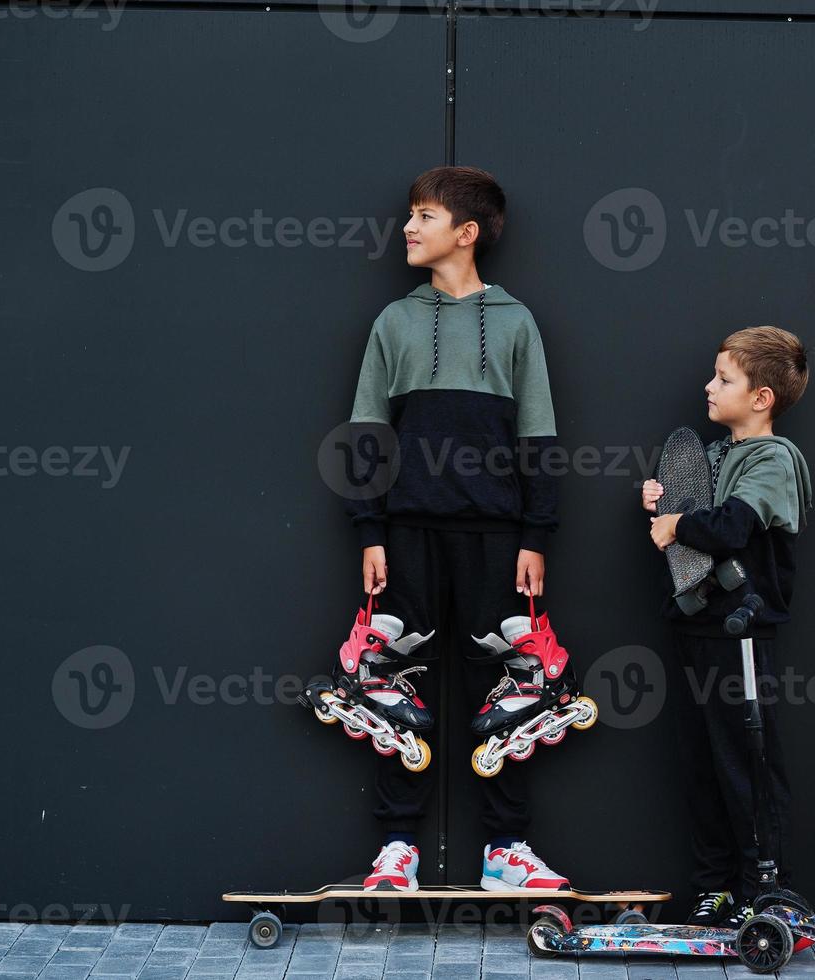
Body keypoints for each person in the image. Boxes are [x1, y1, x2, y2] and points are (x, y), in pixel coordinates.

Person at [342, 165, 568, 892]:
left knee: (510, 684)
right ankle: (397, 849)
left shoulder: (516, 321)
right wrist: (369, 530)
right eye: (409, 214)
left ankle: (505, 851)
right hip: (404, 534)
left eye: (424, 216)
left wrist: (536, 535)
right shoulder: (393, 322)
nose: (408, 227)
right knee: (389, 684)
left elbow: (539, 437)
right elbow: (367, 435)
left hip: (496, 539)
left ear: (466, 233)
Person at [642, 326, 813, 926]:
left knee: (749, 763)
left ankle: (766, 887)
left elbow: (730, 529)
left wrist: (677, 525)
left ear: (761, 397)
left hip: (740, 635)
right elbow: (694, 524)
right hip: (696, 632)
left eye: (724, 379)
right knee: (702, 764)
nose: (708, 386)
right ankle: (714, 885)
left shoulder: (774, 459)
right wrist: (662, 506)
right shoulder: (716, 453)